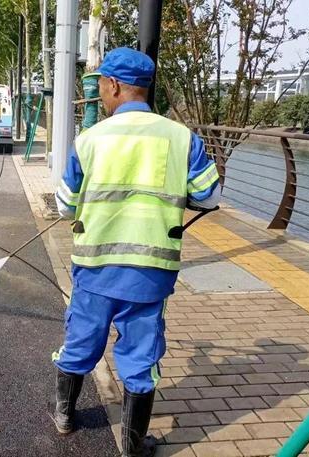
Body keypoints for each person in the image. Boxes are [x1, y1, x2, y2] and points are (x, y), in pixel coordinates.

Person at [51, 47, 220, 457]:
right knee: (141, 356)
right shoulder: (182, 138)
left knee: (82, 340)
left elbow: (64, 206)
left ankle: (64, 416)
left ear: (113, 85)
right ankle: (132, 445)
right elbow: (209, 195)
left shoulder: (89, 140)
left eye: (101, 89)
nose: (101, 98)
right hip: (151, 271)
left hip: (96, 268)